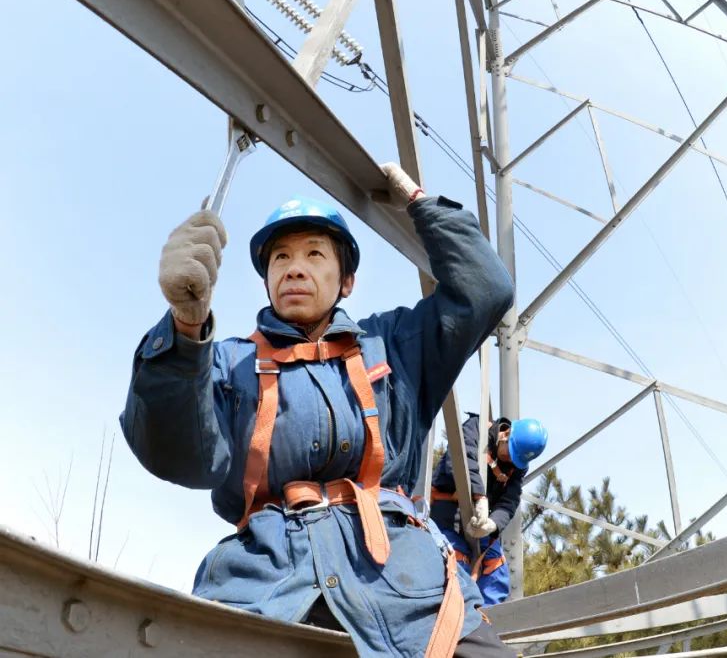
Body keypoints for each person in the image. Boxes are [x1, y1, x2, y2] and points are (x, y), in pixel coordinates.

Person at [120, 164, 516, 657]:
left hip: (406, 583)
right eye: (280, 257)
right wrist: (183, 330)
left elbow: (486, 290)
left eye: (313, 253)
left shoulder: (393, 346)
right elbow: (174, 452)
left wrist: (422, 204)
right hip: (265, 581)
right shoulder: (224, 362)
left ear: (346, 279)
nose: (294, 267)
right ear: (266, 280)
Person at [430, 413, 548, 605]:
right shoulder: (476, 428)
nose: (509, 460)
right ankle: (460, 620)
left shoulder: (515, 465)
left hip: (479, 520)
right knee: (457, 562)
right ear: (506, 433)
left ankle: (487, 623)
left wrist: (493, 524)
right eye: (509, 453)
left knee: (496, 568)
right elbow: (459, 459)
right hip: (448, 513)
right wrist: (479, 496)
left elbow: (510, 500)